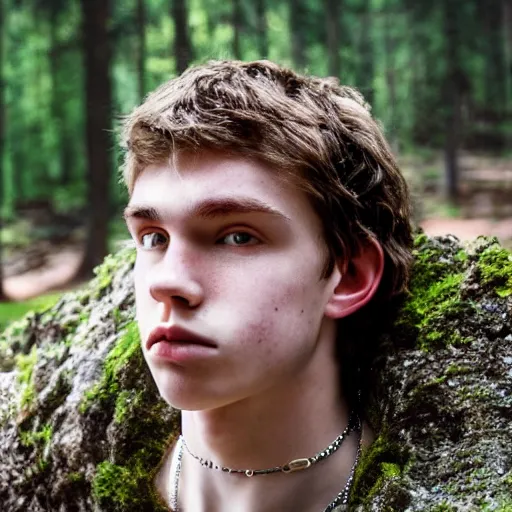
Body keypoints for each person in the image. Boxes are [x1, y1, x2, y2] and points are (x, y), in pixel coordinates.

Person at [121, 60, 413, 512]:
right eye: (154, 238)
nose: (167, 282)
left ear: (348, 276)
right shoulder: (92, 479)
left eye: (237, 236)